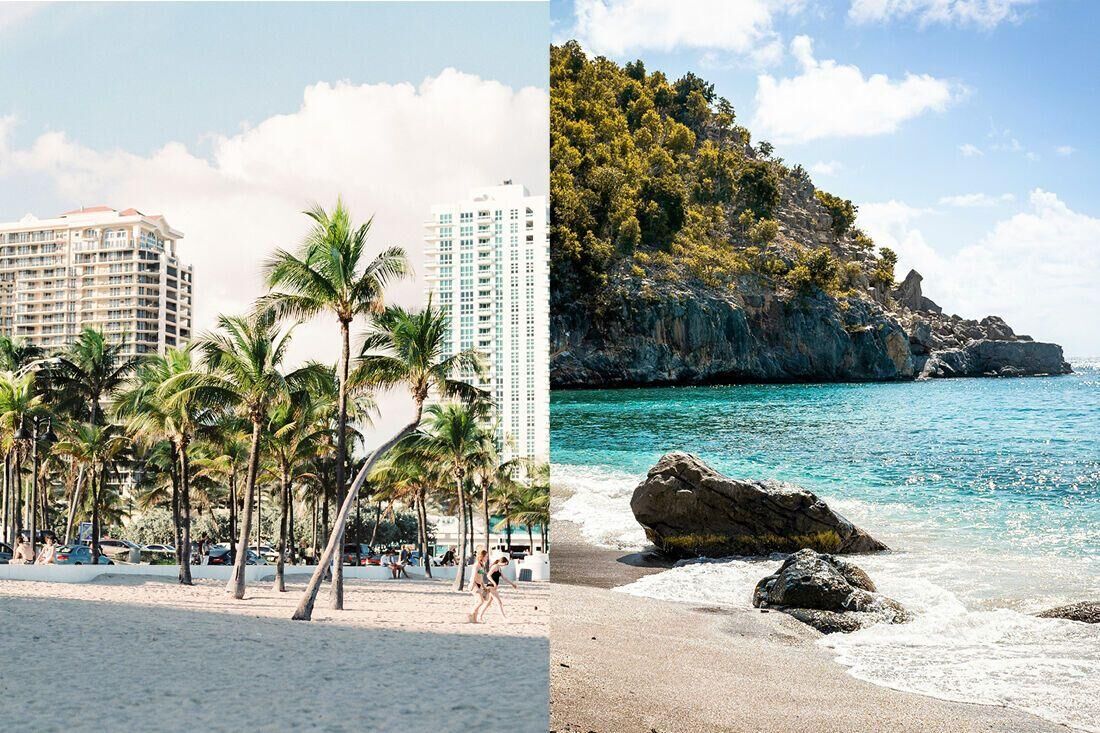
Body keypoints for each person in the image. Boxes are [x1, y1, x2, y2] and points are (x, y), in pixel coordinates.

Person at [479, 555, 518, 621]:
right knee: (499, 602)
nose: (505, 565)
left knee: (488, 603)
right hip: (491, 586)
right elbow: (488, 575)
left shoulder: (499, 568)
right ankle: (504, 618)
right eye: (505, 564)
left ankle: (480, 616)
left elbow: (504, 578)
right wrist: (494, 583)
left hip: (493, 587)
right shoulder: (495, 566)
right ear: (503, 562)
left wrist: (512, 584)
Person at [466, 549, 492, 623]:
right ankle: (471, 613)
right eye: (486, 556)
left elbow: (480, 577)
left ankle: (474, 619)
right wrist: (471, 584)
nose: (487, 558)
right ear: (482, 556)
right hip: (474, 584)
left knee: (478, 601)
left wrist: (484, 587)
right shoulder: (476, 565)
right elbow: (474, 575)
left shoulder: (481, 565)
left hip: (478, 585)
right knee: (481, 601)